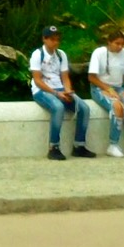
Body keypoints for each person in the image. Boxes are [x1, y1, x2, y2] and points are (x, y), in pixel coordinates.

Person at [29, 26, 96, 160]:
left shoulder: (61, 54)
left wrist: (68, 91)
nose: (55, 42)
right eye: (52, 39)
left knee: (84, 108)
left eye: (57, 40)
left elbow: (65, 77)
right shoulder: (37, 54)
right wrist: (56, 93)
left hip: (59, 88)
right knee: (58, 108)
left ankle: (79, 146)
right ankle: (53, 147)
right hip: (42, 90)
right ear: (44, 39)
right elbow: (37, 80)